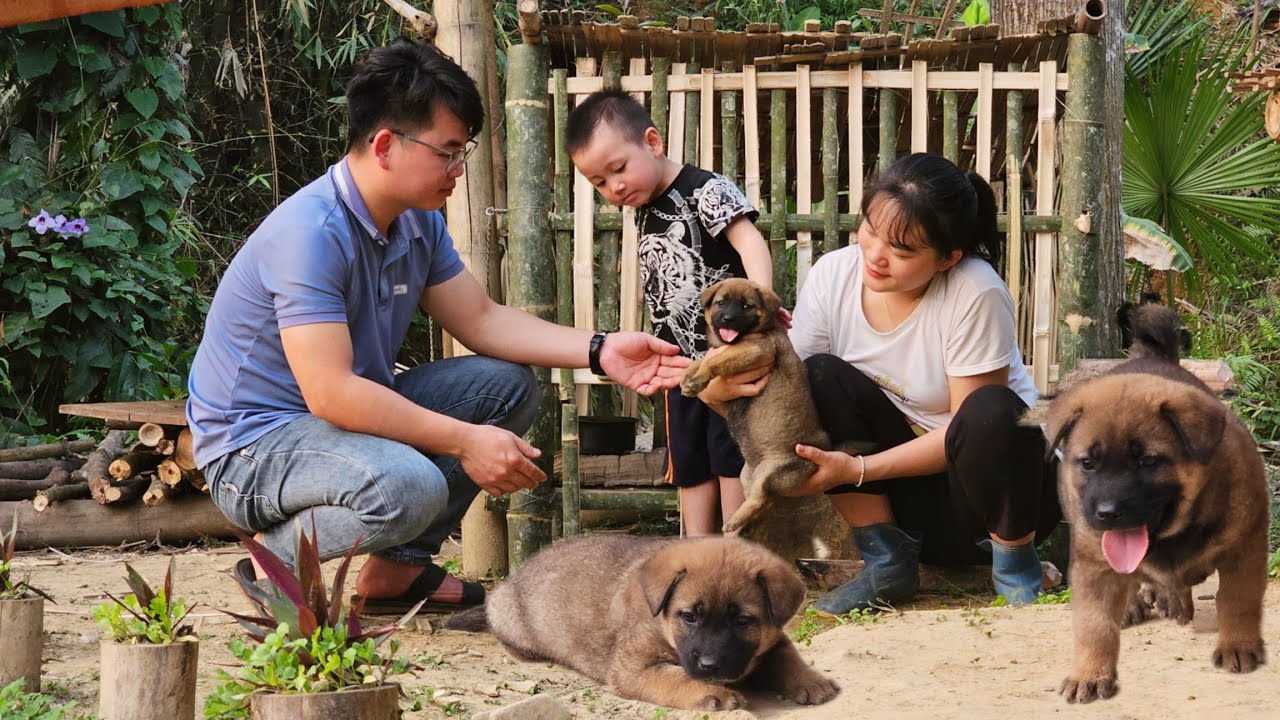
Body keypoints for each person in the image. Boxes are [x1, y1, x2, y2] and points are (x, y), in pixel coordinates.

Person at [186, 39, 689, 614]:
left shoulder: (415, 222)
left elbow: (480, 319)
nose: (458, 170)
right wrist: (466, 441)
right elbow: (331, 393)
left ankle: (394, 577)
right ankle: (269, 561)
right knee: (409, 487)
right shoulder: (310, 235)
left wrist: (600, 350)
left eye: (463, 152)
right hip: (255, 449)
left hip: (336, 425)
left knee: (507, 386)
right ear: (384, 146)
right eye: (448, 152)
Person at [699, 152, 1060, 611]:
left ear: (948, 257)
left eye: (902, 250)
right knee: (817, 374)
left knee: (991, 407)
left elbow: (969, 428)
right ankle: (886, 560)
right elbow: (786, 397)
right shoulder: (835, 275)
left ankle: (1015, 567)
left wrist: (858, 470)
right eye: (869, 229)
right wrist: (717, 393)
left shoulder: (977, 291)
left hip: (993, 502)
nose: (875, 255)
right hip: (907, 509)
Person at [565, 90, 778, 537]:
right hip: (678, 362)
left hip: (727, 357)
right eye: (600, 183)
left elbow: (749, 242)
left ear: (653, 141)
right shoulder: (642, 206)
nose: (614, 188)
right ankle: (695, 549)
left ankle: (732, 548)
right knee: (686, 458)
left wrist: (763, 300)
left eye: (619, 169)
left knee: (728, 450)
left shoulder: (707, 189)